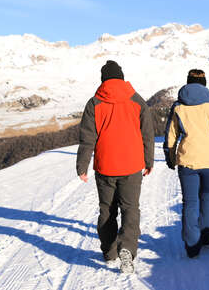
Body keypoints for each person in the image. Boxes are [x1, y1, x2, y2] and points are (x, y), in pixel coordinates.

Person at [76, 60, 154, 273]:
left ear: (103, 80)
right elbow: (147, 134)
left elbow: (87, 138)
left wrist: (82, 166)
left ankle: (109, 253)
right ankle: (127, 247)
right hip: (131, 165)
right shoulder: (137, 100)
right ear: (121, 77)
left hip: (105, 166)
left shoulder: (94, 103)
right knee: (130, 208)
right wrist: (149, 161)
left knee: (107, 210)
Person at [164, 69, 209, 258]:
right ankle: (207, 235)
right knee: (208, 196)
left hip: (188, 162)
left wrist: (170, 158)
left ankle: (192, 244)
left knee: (190, 202)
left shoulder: (178, 107)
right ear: (205, 83)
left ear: (187, 83)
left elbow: (170, 138)